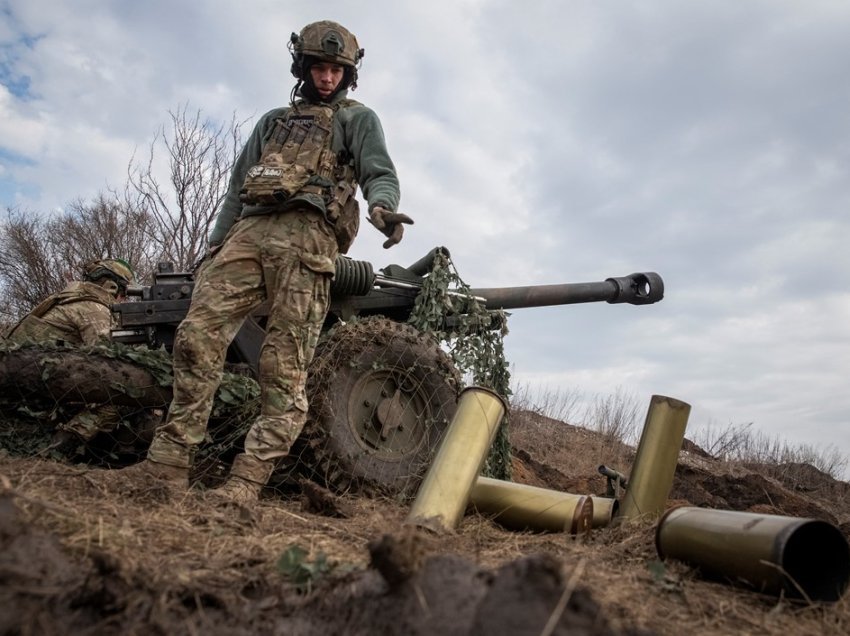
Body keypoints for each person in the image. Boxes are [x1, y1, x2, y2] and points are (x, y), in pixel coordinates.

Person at [132, 20, 413, 502]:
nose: (327, 78)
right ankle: (166, 467)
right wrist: (214, 248)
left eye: (336, 70)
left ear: (348, 75)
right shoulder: (273, 121)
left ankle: (245, 481)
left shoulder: (357, 120)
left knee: (284, 366)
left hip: (309, 240)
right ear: (303, 68)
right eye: (319, 68)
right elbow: (236, 189)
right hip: (249, 233)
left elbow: (378, 172)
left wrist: (383, 209)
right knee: (197, 337)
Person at [5, 258, 137, 453]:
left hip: (24, 387)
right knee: (125, 392)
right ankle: (59, 449)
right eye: (125, 293)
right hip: (32, 395)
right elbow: (112, 364)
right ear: (111, 287)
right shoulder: (94, 309)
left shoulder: (70, 301)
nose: (124, 299)